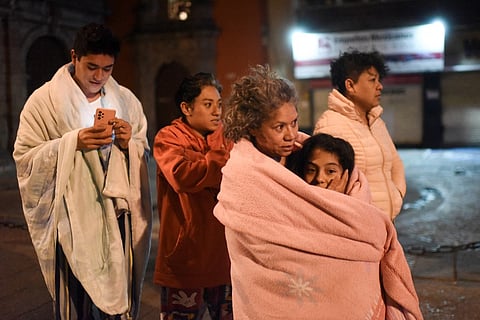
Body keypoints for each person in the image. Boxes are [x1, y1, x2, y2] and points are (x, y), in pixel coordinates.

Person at [214, 64, 422, 319]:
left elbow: (347, 194)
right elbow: (263, 246)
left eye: (294, 122)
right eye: (279, 128)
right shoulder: (243, 175)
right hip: (273, 296)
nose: (291, 134)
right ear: (253, 127)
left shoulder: (303, 152)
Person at [13, 23, 152, 319]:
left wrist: (130, 144)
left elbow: (143, 146)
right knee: (77, 301)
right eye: (91, 67)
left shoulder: (126, 100)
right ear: (74, 56)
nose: (99, 76)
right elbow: (25, 158)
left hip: (117, 217)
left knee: (118, 299)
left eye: (107, 69)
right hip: (72, 220)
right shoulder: (42, 103)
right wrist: (71, 143)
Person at [153, 72, 233, 320]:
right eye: (208, 104)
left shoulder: (227, 136)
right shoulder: (168, 138)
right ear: (186, 108)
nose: (217, 111)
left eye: (219, 104)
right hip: (185, 257)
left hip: (225, 255)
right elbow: (182, 175)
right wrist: (220, 161)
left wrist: (203, 164)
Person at [314, 49, 406, 220]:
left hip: (387, 223)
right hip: (358, 227)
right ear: (350, 86)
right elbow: (325, 185)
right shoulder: (330, 126)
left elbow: (395, 163)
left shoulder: (377, 122)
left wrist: (397, 195)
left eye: (379, 80)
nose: (380, 86)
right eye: (372, 80)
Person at [286, 133, 355, 194]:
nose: (319, 179)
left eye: (330, 171)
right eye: (311, 170)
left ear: (346, 175)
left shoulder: (358, 205)